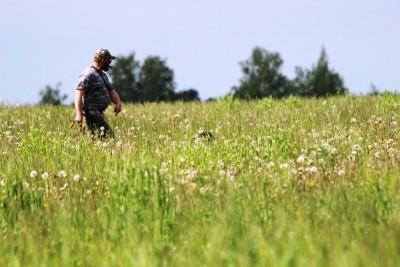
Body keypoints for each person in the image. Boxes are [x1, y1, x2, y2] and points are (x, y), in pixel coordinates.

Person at [74, 48, 122, 139]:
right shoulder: (88, 74)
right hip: (90, 114)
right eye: (108, 60)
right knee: (109, 137)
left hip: (98, 114)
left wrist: (118, 102)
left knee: (97, 138)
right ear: (103, 60)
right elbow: (79, 93)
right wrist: (79, 114)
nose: (109, 63)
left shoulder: (102, 75)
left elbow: (111, 90)